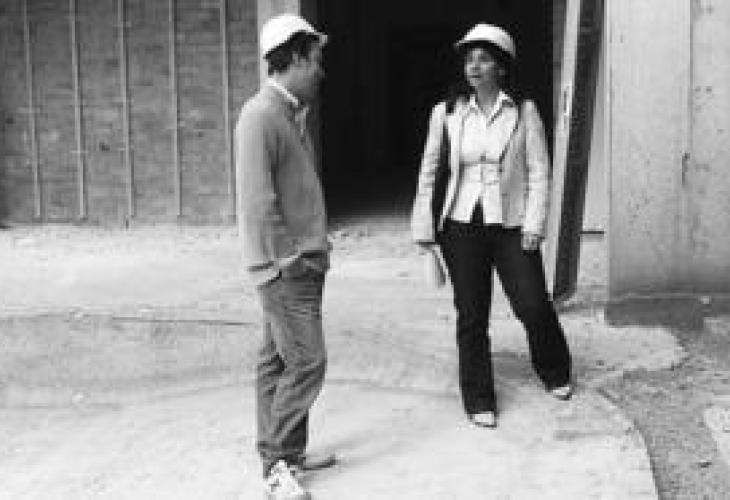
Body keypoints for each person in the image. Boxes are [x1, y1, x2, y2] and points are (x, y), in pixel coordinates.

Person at [410, 23, 572, 429]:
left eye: (484, 58)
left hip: (511, 223)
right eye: (469, 59)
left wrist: (535, 223)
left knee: (532, 303)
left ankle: (555, 369)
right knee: (471, 314)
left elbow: (539, 171)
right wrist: (424, 229)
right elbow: (429, 172)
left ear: (501, 66)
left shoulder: (523, 111)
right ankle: (479, 398)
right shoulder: (446, 113)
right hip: (461, 224)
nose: (474, 65)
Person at [234, 13, 335, 500]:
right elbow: (257, 202)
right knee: (308, 363)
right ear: (294, 58)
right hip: (286, 269)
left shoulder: (290, 113)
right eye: (315, 60)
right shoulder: (260, 115)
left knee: (275, 363)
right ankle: (277, 463)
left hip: (298, 262)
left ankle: (288, 453)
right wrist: (289, 260)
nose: (321, 70)